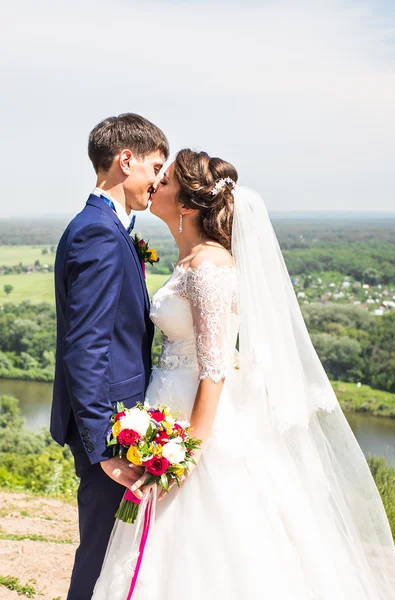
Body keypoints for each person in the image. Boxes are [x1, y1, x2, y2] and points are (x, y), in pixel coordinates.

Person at [92, 149, 395, 599]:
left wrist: (188, 454)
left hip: (197, 422)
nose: (154, 185)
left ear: (185, 205)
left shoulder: (210, 266)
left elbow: (215, 368)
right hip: (168, 404)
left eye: (163, 182)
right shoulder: (189, 262)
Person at [50, 113, 169, 600]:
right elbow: (86, 348)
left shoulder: (108, 227)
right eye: (155, 166)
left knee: (115, 555)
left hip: (120, 423)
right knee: (100, 557)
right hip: (109, 431)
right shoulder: (98, 233)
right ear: (127, 161)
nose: (159, 180)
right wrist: (104, 450)